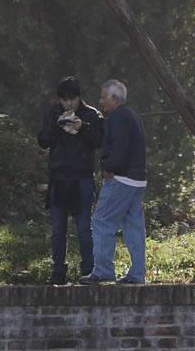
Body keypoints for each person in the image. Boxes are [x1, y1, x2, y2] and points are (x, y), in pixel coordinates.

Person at [37, 76, 104, 286]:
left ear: (78, 97)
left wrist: (82, 126)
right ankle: (58, 271)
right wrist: (57, 126)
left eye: (71, 99)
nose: (68, 104)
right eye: (64, 100)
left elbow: (100, 140)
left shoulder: (91, 114)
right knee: (58, 230)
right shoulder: (53, 114)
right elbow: (42, 141)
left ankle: (88, 270)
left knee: (84, 227)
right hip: (58, 178)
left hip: (82, 178)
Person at [80, 79, 147, 284]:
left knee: (102, 221)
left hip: (121, 179)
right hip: (138, 180)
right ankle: (137, 274)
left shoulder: (117, 117)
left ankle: (103, 271)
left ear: (114, 98)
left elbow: (119, 147)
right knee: (133, 226)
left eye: (104, 97)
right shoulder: (133, 115)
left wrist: (108, 166)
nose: (101, 101)